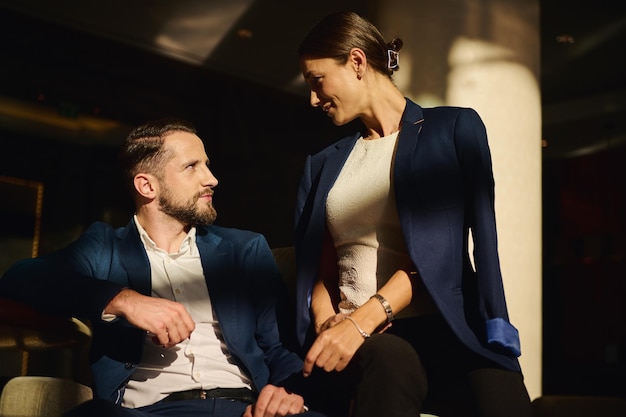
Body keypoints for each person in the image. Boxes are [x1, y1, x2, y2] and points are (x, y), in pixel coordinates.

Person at [293, 11, 532, 417]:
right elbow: (316, 267)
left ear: (356, 62)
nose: (313, 99)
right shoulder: (322, 164)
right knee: (388, 364)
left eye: (317, 81)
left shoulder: (454, 129)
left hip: (450, 324)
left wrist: (365, 318)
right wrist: (326, 321)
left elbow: (453, 252)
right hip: (365, 341)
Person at [0, 118, 325, 417]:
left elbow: (278, 346)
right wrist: (125, 300)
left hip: (242, 408)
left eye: (207, 165)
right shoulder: (106, 246)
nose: (211, 178)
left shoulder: (243, 249)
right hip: (145, 412)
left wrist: (286, 392)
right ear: (147, 186)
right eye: (191, 167)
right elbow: (21, 278)